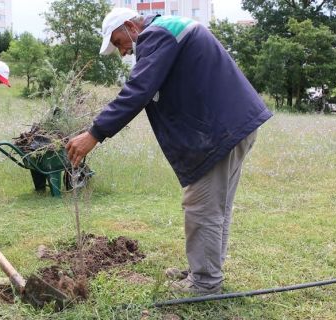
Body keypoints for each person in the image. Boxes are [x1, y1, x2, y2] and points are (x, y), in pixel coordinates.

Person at [66, 8, 273, 295]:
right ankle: (206, 271)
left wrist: (94, 134)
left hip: (221, 130)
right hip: (232, 124)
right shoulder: (166, 31)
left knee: (202, 206)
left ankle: (205, 283)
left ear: (130, 27)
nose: (122, 52)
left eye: (118, 42)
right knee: (215, 207)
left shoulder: (156, 35)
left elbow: (138, 90)